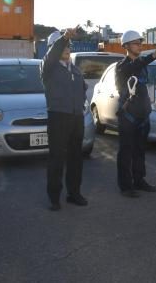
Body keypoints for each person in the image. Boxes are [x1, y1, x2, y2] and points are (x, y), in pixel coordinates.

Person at [40, 28, 88, 211]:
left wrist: (82, 107)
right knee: (56, 159)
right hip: (58, 117)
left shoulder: (75, 70)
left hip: (76, 118)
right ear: (53, 48)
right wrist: (64, 37)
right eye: (63, 46)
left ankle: (74, 194)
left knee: (76, 158)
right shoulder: (48, 69)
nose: (67, 48)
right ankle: (54, 198)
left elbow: (82, 90)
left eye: (69, 45)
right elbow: (50, 57)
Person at [115, 30, 156, 198]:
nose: (139, 45)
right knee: (126, 152)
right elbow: (134, 66)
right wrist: (152, 56)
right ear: (126, 46)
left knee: (140, 151)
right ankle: (126, 186)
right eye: (136, 43)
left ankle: (139, 180)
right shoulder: (122, 66)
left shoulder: (142, 68)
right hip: (128, 117)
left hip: (143, 117)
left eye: (140, 43)